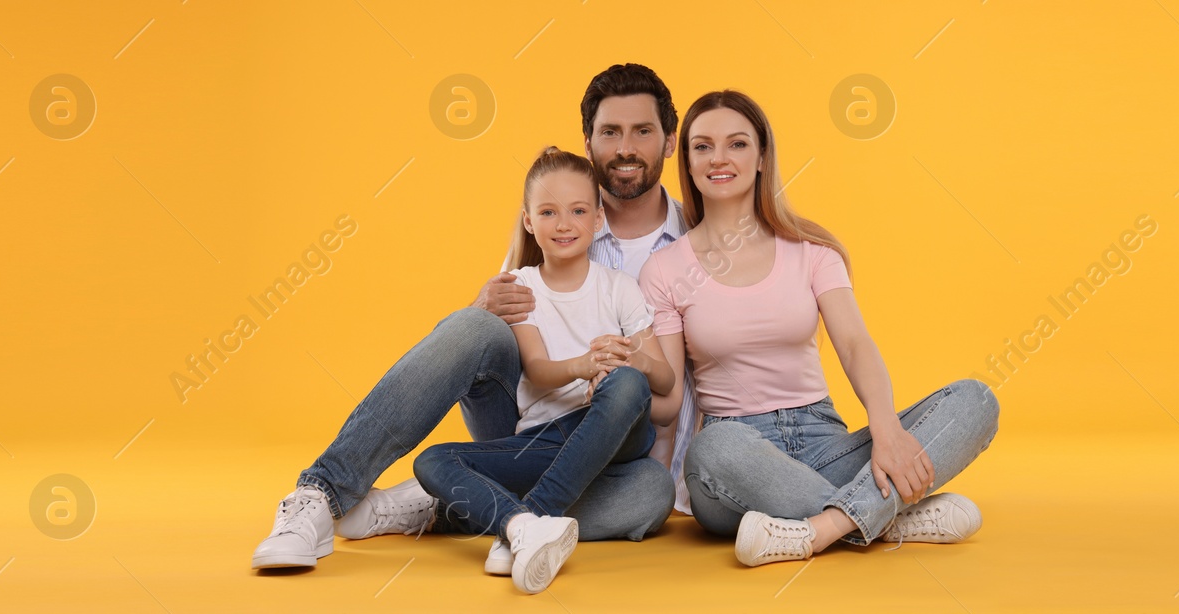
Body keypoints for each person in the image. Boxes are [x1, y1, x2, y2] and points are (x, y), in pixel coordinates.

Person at [251, 63, 690, 571]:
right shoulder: (546, 230)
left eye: (643, 131)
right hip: (523, 427)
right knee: (472, 325)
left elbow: (667, 397)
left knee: (648, 496)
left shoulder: (692, 248)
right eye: (610, 132)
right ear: (588, 143)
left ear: (669, 140)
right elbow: (493, 349)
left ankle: (460, 507)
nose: (625, 147)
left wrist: (626, 375)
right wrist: (484, 313)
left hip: (617, 451)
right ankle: (321, 495)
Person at [638, 90, 1000, 568]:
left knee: (976, 399)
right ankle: (889, 518)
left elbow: (853, 344)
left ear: (763, 157)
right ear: (686, 160)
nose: (719, 158)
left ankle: (822, 529)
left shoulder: (811, 250)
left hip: (826, 443)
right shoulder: (664, 270)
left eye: (738, 144)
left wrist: (887, 430)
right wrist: (626, 367)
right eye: (702, 146)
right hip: (737, 460)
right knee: (711, 449)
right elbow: (668, 400)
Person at [408, 147, 675, 594]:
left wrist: (631, 358)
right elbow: (537, 370)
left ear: (598, 220)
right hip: (537, 439)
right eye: (548, 212)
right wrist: (585, 364)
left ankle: (524, 517)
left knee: (628, 384)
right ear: (529, 221)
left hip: (612, 430)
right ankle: (522, 526)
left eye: (577, 211)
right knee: (431, 459)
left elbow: (664, 380)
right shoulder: (523, 286)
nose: (564, 224)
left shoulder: (621, 289)